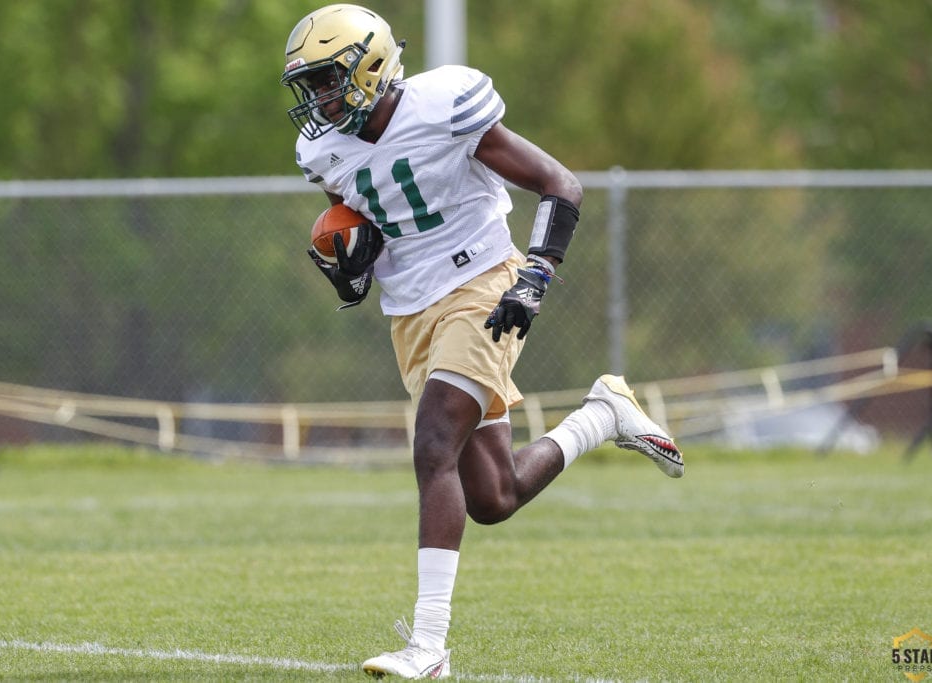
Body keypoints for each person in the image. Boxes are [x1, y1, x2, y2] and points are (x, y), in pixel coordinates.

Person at [280, 4, 684, 679]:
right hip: (411, 311)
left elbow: (562, 184)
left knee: (434, 439)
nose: (319, 98)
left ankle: (429, 647)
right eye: (311, 86)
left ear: (372, 67)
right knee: (493, 494)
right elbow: (370, 223)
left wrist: (535, 277)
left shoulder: (444, 104)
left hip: (483, 283)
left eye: (329, 79)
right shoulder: (323, 147)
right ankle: (605, 413)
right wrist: (353, 259)